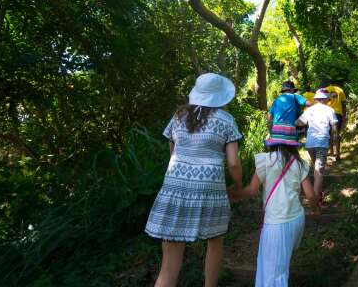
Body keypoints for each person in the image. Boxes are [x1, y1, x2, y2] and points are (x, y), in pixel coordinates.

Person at [145, 73, 243, 287]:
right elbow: (234, 163)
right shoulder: (226, 120)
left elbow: (173, 152)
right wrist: (237, 186)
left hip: (175, 187)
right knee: (215, 242)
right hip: (211, 189)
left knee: (169, 265)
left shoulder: (178, 116)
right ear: (220, 97)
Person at [230, 138, 320, 287]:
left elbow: (252, 190)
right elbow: (310, 195)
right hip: (296, 219)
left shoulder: (267, 160)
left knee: (273, 271)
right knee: (279, 265)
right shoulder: (298, 162)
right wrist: (316, 210)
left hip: (277, 222)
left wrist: (232, 195)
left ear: (273, 142)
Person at [295, 88, 338, 204]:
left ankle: (318, 194)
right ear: (326, 99)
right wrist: (334, 140)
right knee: (318, 170)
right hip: (322, 142)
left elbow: (298, 122)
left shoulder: (310, 110)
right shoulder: (330, 110)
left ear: (317, 99)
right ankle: (314, 200)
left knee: (316, 168)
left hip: (310, 143)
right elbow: (334, 128)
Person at [267, 81, 309, 145]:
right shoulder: (295, 96)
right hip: (290, 129)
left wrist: (271, 130)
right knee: (291, 151)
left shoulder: (277, 100)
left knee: (279, 152)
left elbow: (269, 116)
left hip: (276, 130)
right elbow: (309, 104)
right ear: (292, 90)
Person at [321, 79, 347, 160]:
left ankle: (331, 151)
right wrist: (344, 115)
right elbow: (343, 103)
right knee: (336, 133)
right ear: (335, 83)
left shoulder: (325, 90)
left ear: (329, 83)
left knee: (328, 133)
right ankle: (338, 154)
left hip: (327, 113)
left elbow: (322, 103)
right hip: (338, 113)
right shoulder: (340, 90)